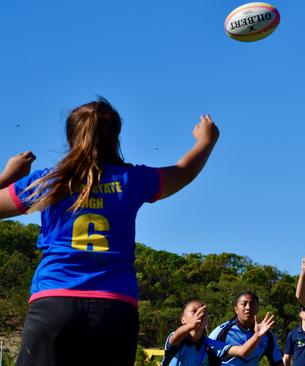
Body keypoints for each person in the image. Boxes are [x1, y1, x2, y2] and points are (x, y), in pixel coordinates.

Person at [0, 98, 220, 366]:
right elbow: (184, 171)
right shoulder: (131, 180)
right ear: (115, 137)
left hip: (54, 301)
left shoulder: (49, 181)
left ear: (71, 136)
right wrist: (205, 142)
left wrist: (7, 177)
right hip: (114, 307)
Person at [163, 300, 276, 366]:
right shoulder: (178, 341)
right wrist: (190, 326)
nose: (200, 315)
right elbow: (175, 337)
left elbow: (242, 351)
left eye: (204, 313)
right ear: (183, 320)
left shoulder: (209, 345)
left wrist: (256, 336)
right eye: (194, 311)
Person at [208, 291, 284, 366]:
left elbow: (277, 363)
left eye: (252, 304)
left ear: (257, 309)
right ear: (236, 309)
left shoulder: (267, 335)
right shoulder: (222, 332)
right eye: (244, 304)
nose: (248, 308)